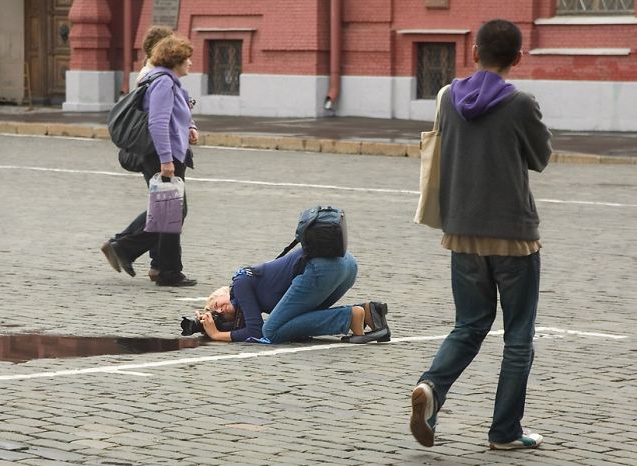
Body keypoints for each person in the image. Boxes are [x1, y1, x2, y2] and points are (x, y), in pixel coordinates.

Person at [409, 19, 552, 451]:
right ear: (518, 58)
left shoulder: (446, 97)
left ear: (473, 53)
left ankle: (431, 387)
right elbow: (540, 157)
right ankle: (504, 432)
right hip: (513, 235)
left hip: (463, 232)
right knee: (518, 336)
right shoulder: (521, 102)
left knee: (469, 325)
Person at [102, 26, 199, 285]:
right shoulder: (163, 82)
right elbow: (157, 123)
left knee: (168, 210)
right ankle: (124, 248)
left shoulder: (167, 80)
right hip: (161, 155)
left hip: (168, 154)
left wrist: (190, 127)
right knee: (171, 211)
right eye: (187, 58)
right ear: (175, 60)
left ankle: (165, 269)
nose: (190, 63)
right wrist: (166, 160)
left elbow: (177, 114)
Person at [195, 249, 391, 344]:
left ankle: (349, 316)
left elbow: (256, 331)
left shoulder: (239, 284)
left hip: (322, 267)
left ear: (224, 292)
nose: (221, 309)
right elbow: (251, 326)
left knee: (271, 331)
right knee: (291, 321)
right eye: (219, 313)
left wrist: (217, 334)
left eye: (217, 304)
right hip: (347, 263)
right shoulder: (250, 290)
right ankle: (368, 312)